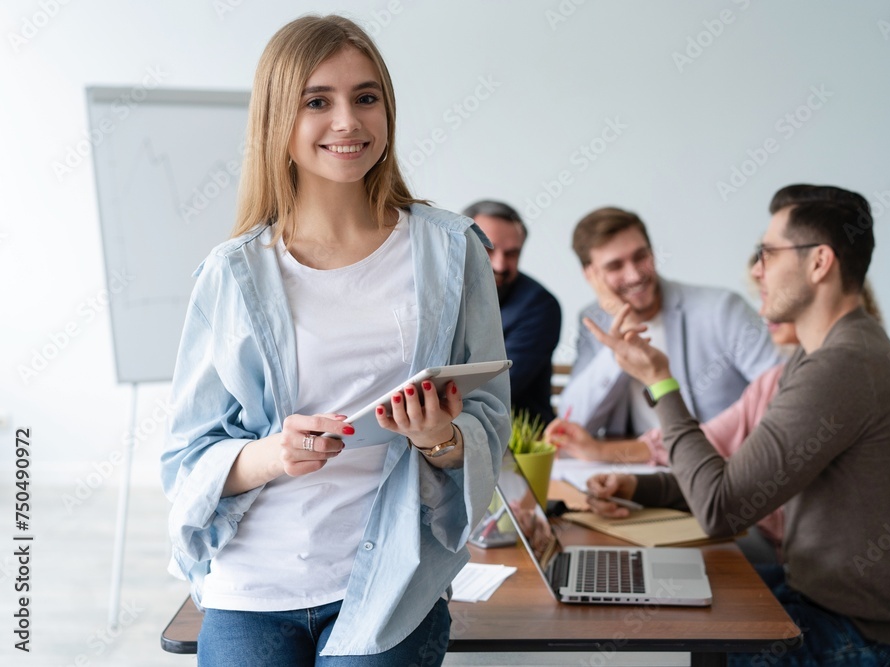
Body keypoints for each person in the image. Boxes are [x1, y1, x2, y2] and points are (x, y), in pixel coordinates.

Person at [159, 15, 510, 665]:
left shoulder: (452, 250)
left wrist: (441, 438)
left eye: (366, 97)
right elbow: (187, 456)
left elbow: (491, 417)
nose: (348, 120)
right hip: (252, 584)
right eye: (318, 101)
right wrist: (275, 453)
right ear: (277, 121)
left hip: (388, 582)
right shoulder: (231, 273)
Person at [584, 189, 890, 665]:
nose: (756, 270)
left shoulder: (843, 366)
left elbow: (721, 509)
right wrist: (638, 486)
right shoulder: (820, 357)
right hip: (823, 603)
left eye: (767, 254)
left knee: (694, 619)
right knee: (684, 594)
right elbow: (735, 484)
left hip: (865, 639)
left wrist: (660, 381)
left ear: (819, 263)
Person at [547, 206, 781, 462]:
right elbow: (572, 424)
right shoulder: (595, 322)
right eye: (615, 266)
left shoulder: (721, 309)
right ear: (591, 275)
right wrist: (616, 346)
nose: (635, 274)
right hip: (636, 475)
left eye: (640, 256)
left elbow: (781, 395)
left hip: (717, 466)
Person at [462, 200, 562, 423]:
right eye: (488, 249)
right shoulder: (441, 293)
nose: (500, 265)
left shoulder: (539, 306)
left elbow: (498, 388)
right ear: (461, 244)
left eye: (512, 254)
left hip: (519, 446)